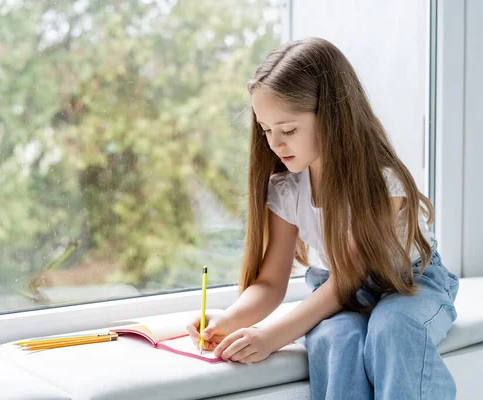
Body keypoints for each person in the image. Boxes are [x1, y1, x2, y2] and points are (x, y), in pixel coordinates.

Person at [187, 37, 459, 400]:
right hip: (339, 290)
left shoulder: (381, 182)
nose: (275, 144)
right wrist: (230, 319)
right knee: (335, 339)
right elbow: (270, 283)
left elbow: (350, 275)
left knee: (394, 327)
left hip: (410, 284)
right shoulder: (286, 189)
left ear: (331, 116)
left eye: (289, 130)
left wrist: (271, 337)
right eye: (266, 130)